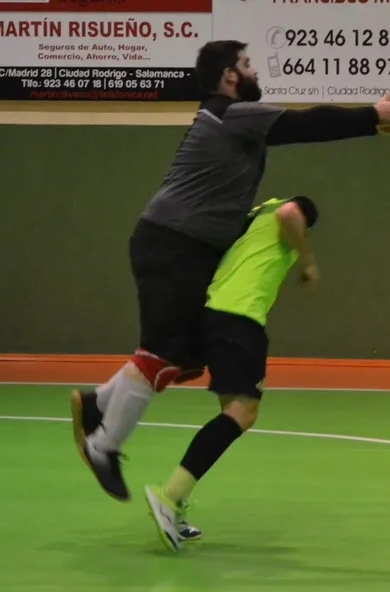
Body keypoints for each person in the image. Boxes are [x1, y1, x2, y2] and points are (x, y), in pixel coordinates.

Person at [68, 40, 390, 506]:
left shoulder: (227, 119)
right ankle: (102, 446)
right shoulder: (230, 114)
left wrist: (373, 122)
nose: (255, 72)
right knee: (163, 354)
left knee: (185, 357)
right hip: (173, 244)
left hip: (182, 246)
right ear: (230, 76)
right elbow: (306, 124)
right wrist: (373, 115)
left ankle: (99, 403)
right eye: (248, 64)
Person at [139, 195, 320, 553]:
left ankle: (176, 501)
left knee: (231, 414)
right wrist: (308, 260)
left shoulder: (255, 217)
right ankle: (168, 495)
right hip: (240, 318)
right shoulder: (283, 213)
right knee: (243, 412)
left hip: (216, 314)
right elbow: (290, 213)